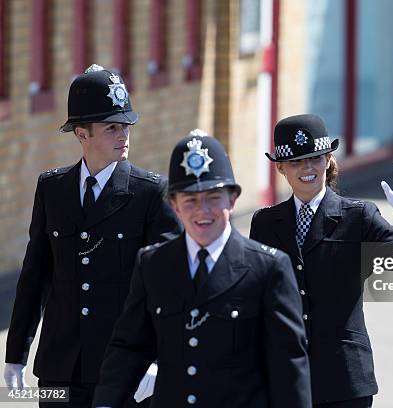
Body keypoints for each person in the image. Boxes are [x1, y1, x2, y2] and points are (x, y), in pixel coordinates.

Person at [92, 130, 311, 407]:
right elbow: (129, 348)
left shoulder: (268, 269)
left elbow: (288, 367)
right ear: (174, 205)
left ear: (232, 199)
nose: (202, 211)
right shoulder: (153, 264)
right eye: (190, 200)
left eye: (213, 197)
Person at [3, 64, 180, 407]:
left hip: (127, 371)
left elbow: (168, 283)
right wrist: (15, 356)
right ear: (82, 134)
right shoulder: (52, 188)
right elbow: (34, 277)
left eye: (126, 125)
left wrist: (159, 356)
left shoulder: (150, 193)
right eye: (112, 127)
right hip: (60, 371)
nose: (123, 135)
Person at [249, 114, 393, 407]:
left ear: (329, 160)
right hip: (284, 378)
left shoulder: (358, 216)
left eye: (315, 159)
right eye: (296, 162)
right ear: (281, 168)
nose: (307, 168)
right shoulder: (266, 223)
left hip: (343, 381)